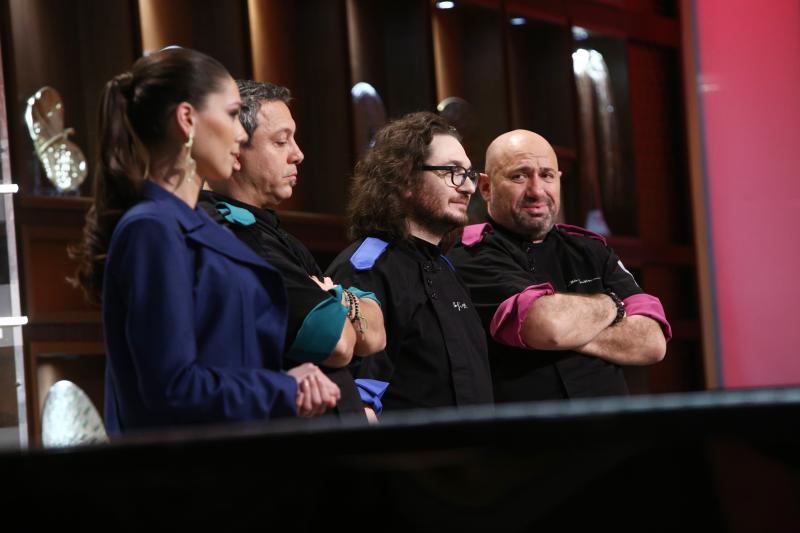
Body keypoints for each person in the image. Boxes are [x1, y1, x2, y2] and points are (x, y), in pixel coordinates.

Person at [71, 48, 339, 434]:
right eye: (231, 115)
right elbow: (172, 387)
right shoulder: (152, 228)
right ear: (187, 120)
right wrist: (282, 388)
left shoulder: (186, 223)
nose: (241, 134)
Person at [198, 80, 385, 421]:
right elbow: (339, 344)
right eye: (281, 141)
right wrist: (346, 303)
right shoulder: (237, 235)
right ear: (236, 150)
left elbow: (376, 336)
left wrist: (338, 299)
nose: (298, 154)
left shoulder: (270, 231)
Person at [448, 129, 670, 402]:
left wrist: (568, 330)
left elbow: (652, 342)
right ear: (485, 187)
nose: (536, 191)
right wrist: (613, 304)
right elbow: (549, 327)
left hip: (612, 425)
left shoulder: (591, 249)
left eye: (547, 175)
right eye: (519, 176)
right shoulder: (470, 255)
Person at [326, 112, 494, 411]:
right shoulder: (367, 268)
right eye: (452, 171)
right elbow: (357, 395)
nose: (468, 188)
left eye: (468, 174)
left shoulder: (447, 268)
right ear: (405, 179)